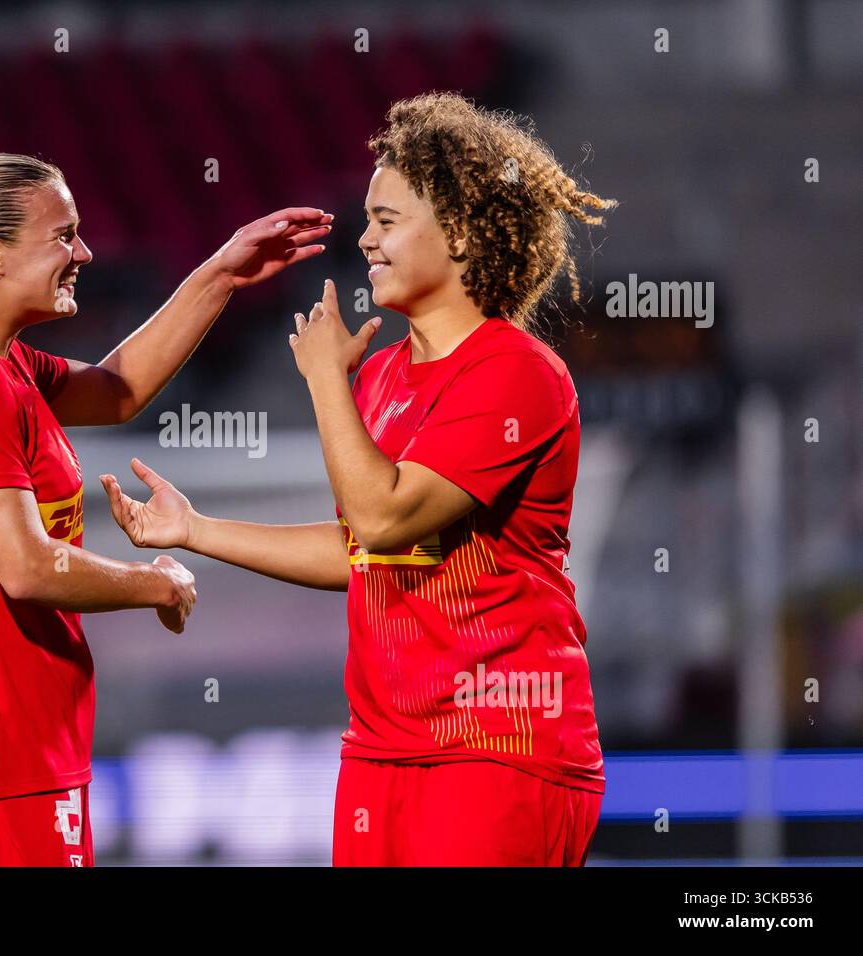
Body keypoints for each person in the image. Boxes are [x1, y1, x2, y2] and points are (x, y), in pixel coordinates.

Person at [102, 93, 615, 865]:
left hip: (498, 749)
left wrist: (321, 383)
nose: (366, 240)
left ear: (465, 232)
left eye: (387, 219)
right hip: (380, 752)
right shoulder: (377, 377)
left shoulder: (516, 375)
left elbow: (384, 517)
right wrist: (195, 530)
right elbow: (363, 550)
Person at [0, 150, 332, 866]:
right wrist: (158, 581)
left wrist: (221, 273)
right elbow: (29, 568)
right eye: (64, 236)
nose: (85, 252)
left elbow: (114, 390)